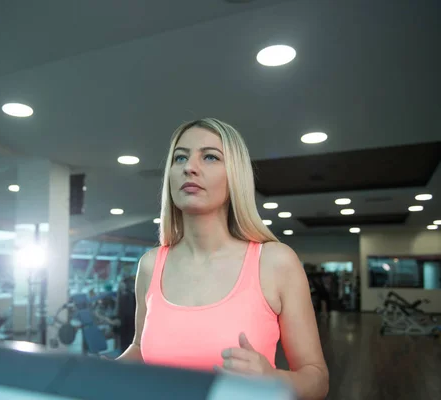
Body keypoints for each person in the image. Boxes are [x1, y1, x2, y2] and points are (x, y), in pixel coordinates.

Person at [114, 118, 329, 400]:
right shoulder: (151, 264)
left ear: (235, 176)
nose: (189, 167)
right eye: (180, 157)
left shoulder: (275, 263)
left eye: (210, 157)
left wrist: (272, 378)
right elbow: (140, 348)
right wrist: (97, 371)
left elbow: (317, 379)